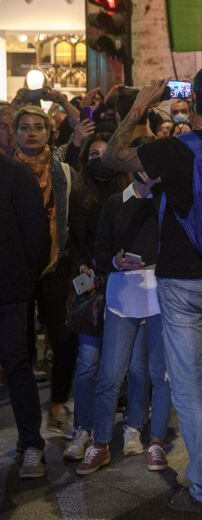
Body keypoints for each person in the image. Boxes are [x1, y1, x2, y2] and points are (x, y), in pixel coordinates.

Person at [103, 69, 202, 515]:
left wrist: (140, 105)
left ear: (191, 99)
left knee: (190, 385)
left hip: (179, 281)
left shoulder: (171, 149)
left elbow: (113, 156)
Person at [78, 162, 172, 475]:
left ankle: (156, 440)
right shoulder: (115, 203)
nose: (147, 169)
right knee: (110, 375)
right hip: (122, 295)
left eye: (152, 162)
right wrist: (115, 262)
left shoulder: (166, 201)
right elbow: (100, 250)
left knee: (158, 373)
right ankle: (101, 443)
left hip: (159, 295)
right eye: (140, 162)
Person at [65, 133, 131, 463]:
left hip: (122, 284)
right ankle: (83, 428)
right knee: (88, 361)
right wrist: (82, 266)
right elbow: (73, 239)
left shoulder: (128, 192)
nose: (98, 160)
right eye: (93, 154)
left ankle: (123, 426)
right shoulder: (79, 191)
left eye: (105, 154)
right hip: (90, 286)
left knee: (120, 364)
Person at [13, 105, 77, 435]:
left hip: (56, 263)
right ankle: (27, 421)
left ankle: (57, 403)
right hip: (18, 268)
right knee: (21, 344)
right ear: (15, 133)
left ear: (49, 132)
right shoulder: (8, 170)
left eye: (38, 127)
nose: (32, 133)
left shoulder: (62, 172)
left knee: (63, 338)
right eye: (24, 127)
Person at [0, 149, 50, 479]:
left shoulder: (16, 175)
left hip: (9, 292)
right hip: (13, 288)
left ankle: (31, 444)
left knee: (17, 366)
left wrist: (23, 280)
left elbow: (37, 237)